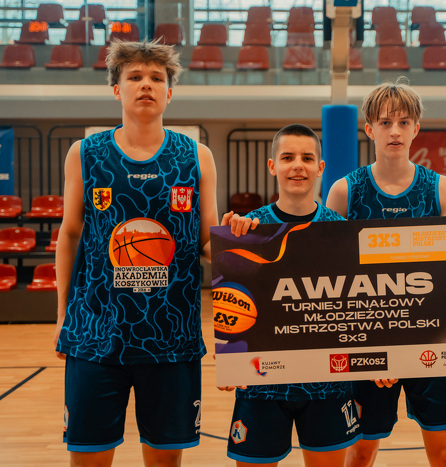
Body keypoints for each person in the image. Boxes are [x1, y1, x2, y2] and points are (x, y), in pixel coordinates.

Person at [53, 40, 219, 466]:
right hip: (95, 333)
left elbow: (207, 241)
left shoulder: (197, 156)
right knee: (89, 456)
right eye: (135, 77)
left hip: (172, 335)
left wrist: (244, 246)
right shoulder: (84, 154)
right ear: (116, 90)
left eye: (156, 78)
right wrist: (62, 316)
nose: (146, 84)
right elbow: (69, 235)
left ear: (169, 93)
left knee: (164, 460)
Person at [325, 80, 446, 467]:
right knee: (360, 452)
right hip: (367, 345)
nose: (395, 131)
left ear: (417, 128)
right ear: (369, 129)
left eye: (404, 122)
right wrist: (375, 355)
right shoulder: (344, 192)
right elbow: (335, 283)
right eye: (385, 123)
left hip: (430, 342)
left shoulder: (441, 189)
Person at [219, 124, 361, 466]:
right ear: (273, 166)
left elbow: (358, 306)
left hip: (327, 384)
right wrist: (230, 355)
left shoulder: (341, 229)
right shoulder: (247, 228)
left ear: (320, 168)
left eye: (307, 158)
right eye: (287, 157)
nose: (298, 165)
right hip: (261, 384)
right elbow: (233, 296)